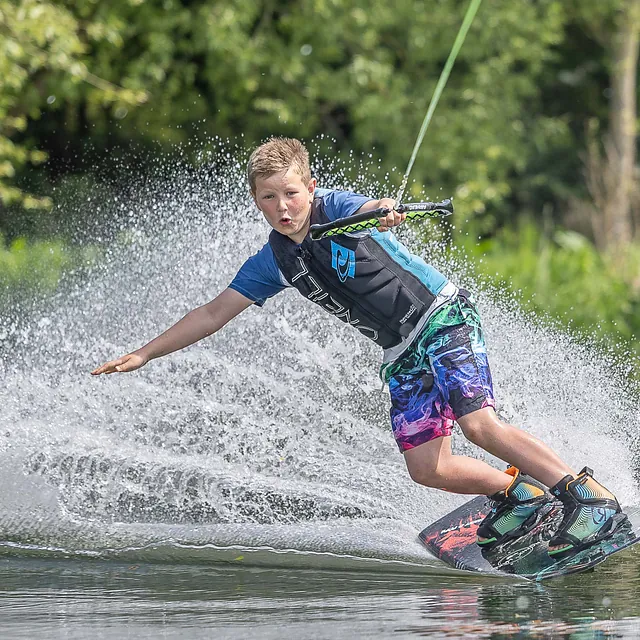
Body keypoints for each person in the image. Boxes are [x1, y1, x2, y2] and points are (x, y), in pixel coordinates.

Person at [92, 137, 626, 559]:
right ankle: (517, 496)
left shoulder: (339, 210)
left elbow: (371, 206)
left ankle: (586, 496)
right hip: (401, 351)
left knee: (478, 425)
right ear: (256, 202)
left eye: (291, 193)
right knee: (427, 468)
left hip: (439, 317)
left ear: (311, 187)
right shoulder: (273, 262)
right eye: (268, 198)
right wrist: (144, 353)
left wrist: (383, 211)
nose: (283, 207)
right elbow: (212, 313)